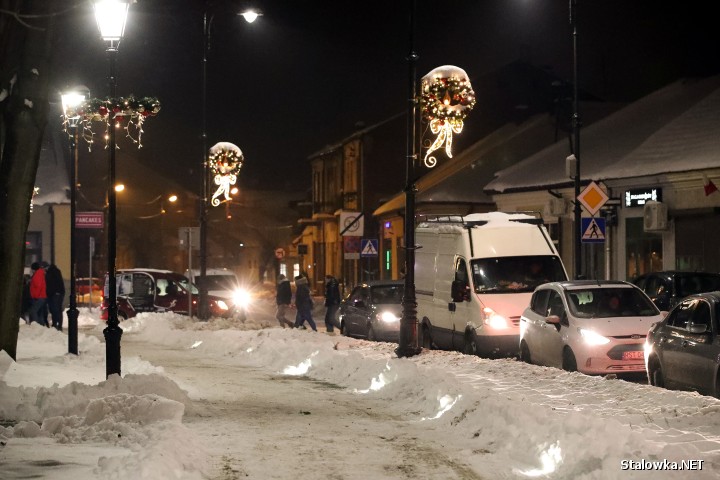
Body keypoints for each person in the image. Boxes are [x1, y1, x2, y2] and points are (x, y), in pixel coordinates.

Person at [45, 263, 66, 331]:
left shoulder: (50, 273)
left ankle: (55, 324)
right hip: (60, 293)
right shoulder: (57, 271)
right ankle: (59, 324)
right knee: (58, 309)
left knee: (54, 309)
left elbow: (49, 284)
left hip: (54, 294)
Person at [28, 262, 48, 326]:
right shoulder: (40, 273)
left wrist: (36, 296)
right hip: (41, 296)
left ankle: (36, 325)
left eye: (32, 269)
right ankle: (41, 325)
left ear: (34, 269)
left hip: (39, 297)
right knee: (40, 312)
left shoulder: (37, 274)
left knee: (33, 311)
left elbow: (38, 286)